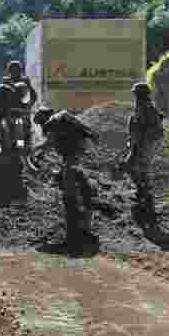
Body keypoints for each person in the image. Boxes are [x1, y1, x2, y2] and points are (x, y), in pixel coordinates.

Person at [30, 107, 99, 250]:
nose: (42, 127)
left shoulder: (52, 123)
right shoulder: (65, 117)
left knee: (70, 198)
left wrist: (35, 150)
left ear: (43, 119)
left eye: (40, 124)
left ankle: (73, 237)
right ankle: (84, 230)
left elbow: (49, 142)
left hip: (73, 157)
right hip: (82, 154)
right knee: (82, 189)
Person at [120, 82, 166, 230]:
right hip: (150, 143)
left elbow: (140, 132)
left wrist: (134, 150)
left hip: (146, 144)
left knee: (138, 170)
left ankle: (145, 201)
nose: (135, 97)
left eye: (136, 94)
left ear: (139, 95)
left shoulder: (143, 108)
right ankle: (144, 198)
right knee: (139, 170)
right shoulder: (149, 107)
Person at [3, 60, 39, 161]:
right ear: (9, 71)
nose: (15, 72)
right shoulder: (6, 81)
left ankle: (27, 154)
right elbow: (2, 97)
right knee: (11, 133)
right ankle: (13, 154)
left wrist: (29, 106)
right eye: (13, 70)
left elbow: (33, 95)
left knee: (26, 132)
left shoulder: (25, 80)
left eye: (17, 70)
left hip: (23, 110)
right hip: (11, 111)